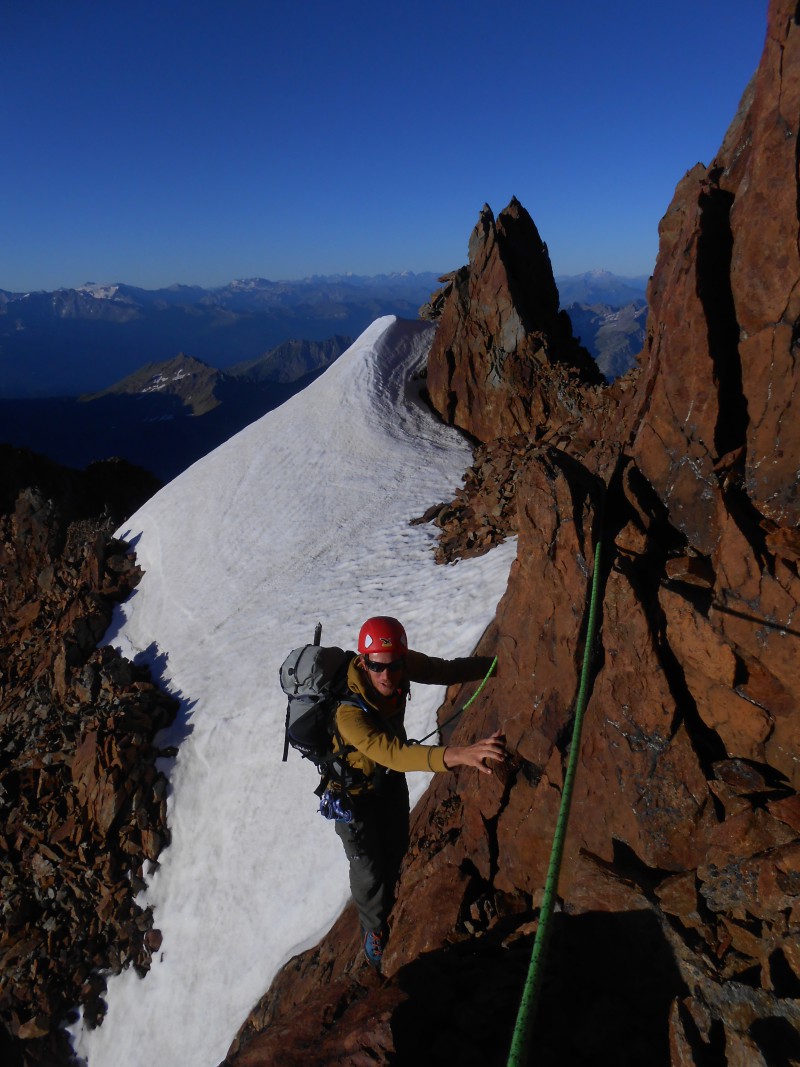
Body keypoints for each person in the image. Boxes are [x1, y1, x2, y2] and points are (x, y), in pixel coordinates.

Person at [328, 615, 506, 969]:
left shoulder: (401, 665)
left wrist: (500, 664)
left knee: (394, 852)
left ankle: (388, 900)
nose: (387, 675)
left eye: (394, 666)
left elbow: (446, 671)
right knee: (367, 871)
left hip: (388, 781)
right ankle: (373, 929)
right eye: (378, 667)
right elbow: (393, 753)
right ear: (363, 663)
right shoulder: (348, 713)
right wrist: (461, 755)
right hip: (353, 796)